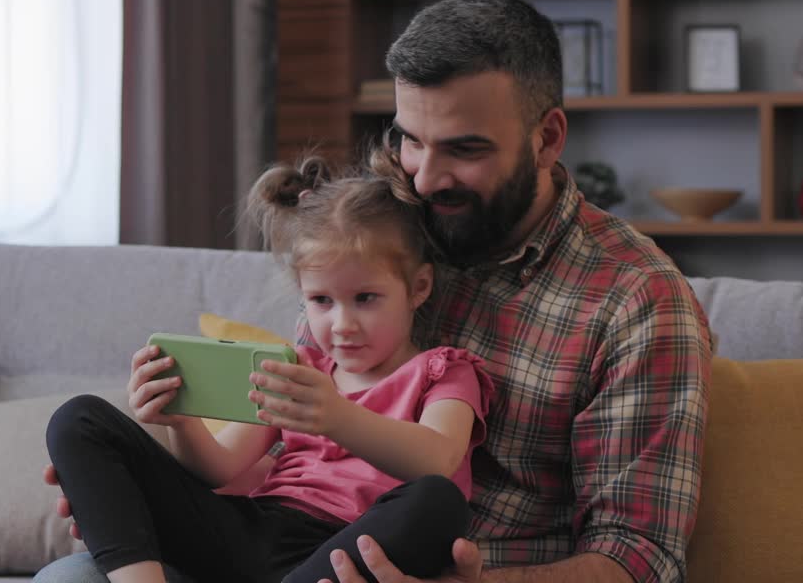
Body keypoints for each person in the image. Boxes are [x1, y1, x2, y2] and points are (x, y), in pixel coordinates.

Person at [38, 0, 713, 583]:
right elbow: (268, 454)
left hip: (449, 561)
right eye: (409, 140)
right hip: (271, 544)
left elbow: (639, 558)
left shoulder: (636, 300)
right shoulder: (386, 227)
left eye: (464, 149)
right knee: (70, 572)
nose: (423, 177)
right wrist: (132, 491)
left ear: (548, 137)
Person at [42, 152, 493, 583]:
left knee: (439, 501)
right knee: (78, 420)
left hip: (342, 553)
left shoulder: (444, 371)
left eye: (365, 298)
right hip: (253, 530)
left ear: (418, 287)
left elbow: (436, 459)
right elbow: (218, 469)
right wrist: (181, 422)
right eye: (321, 301)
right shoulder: (295, 369)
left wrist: (338, 418)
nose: (342, 325)